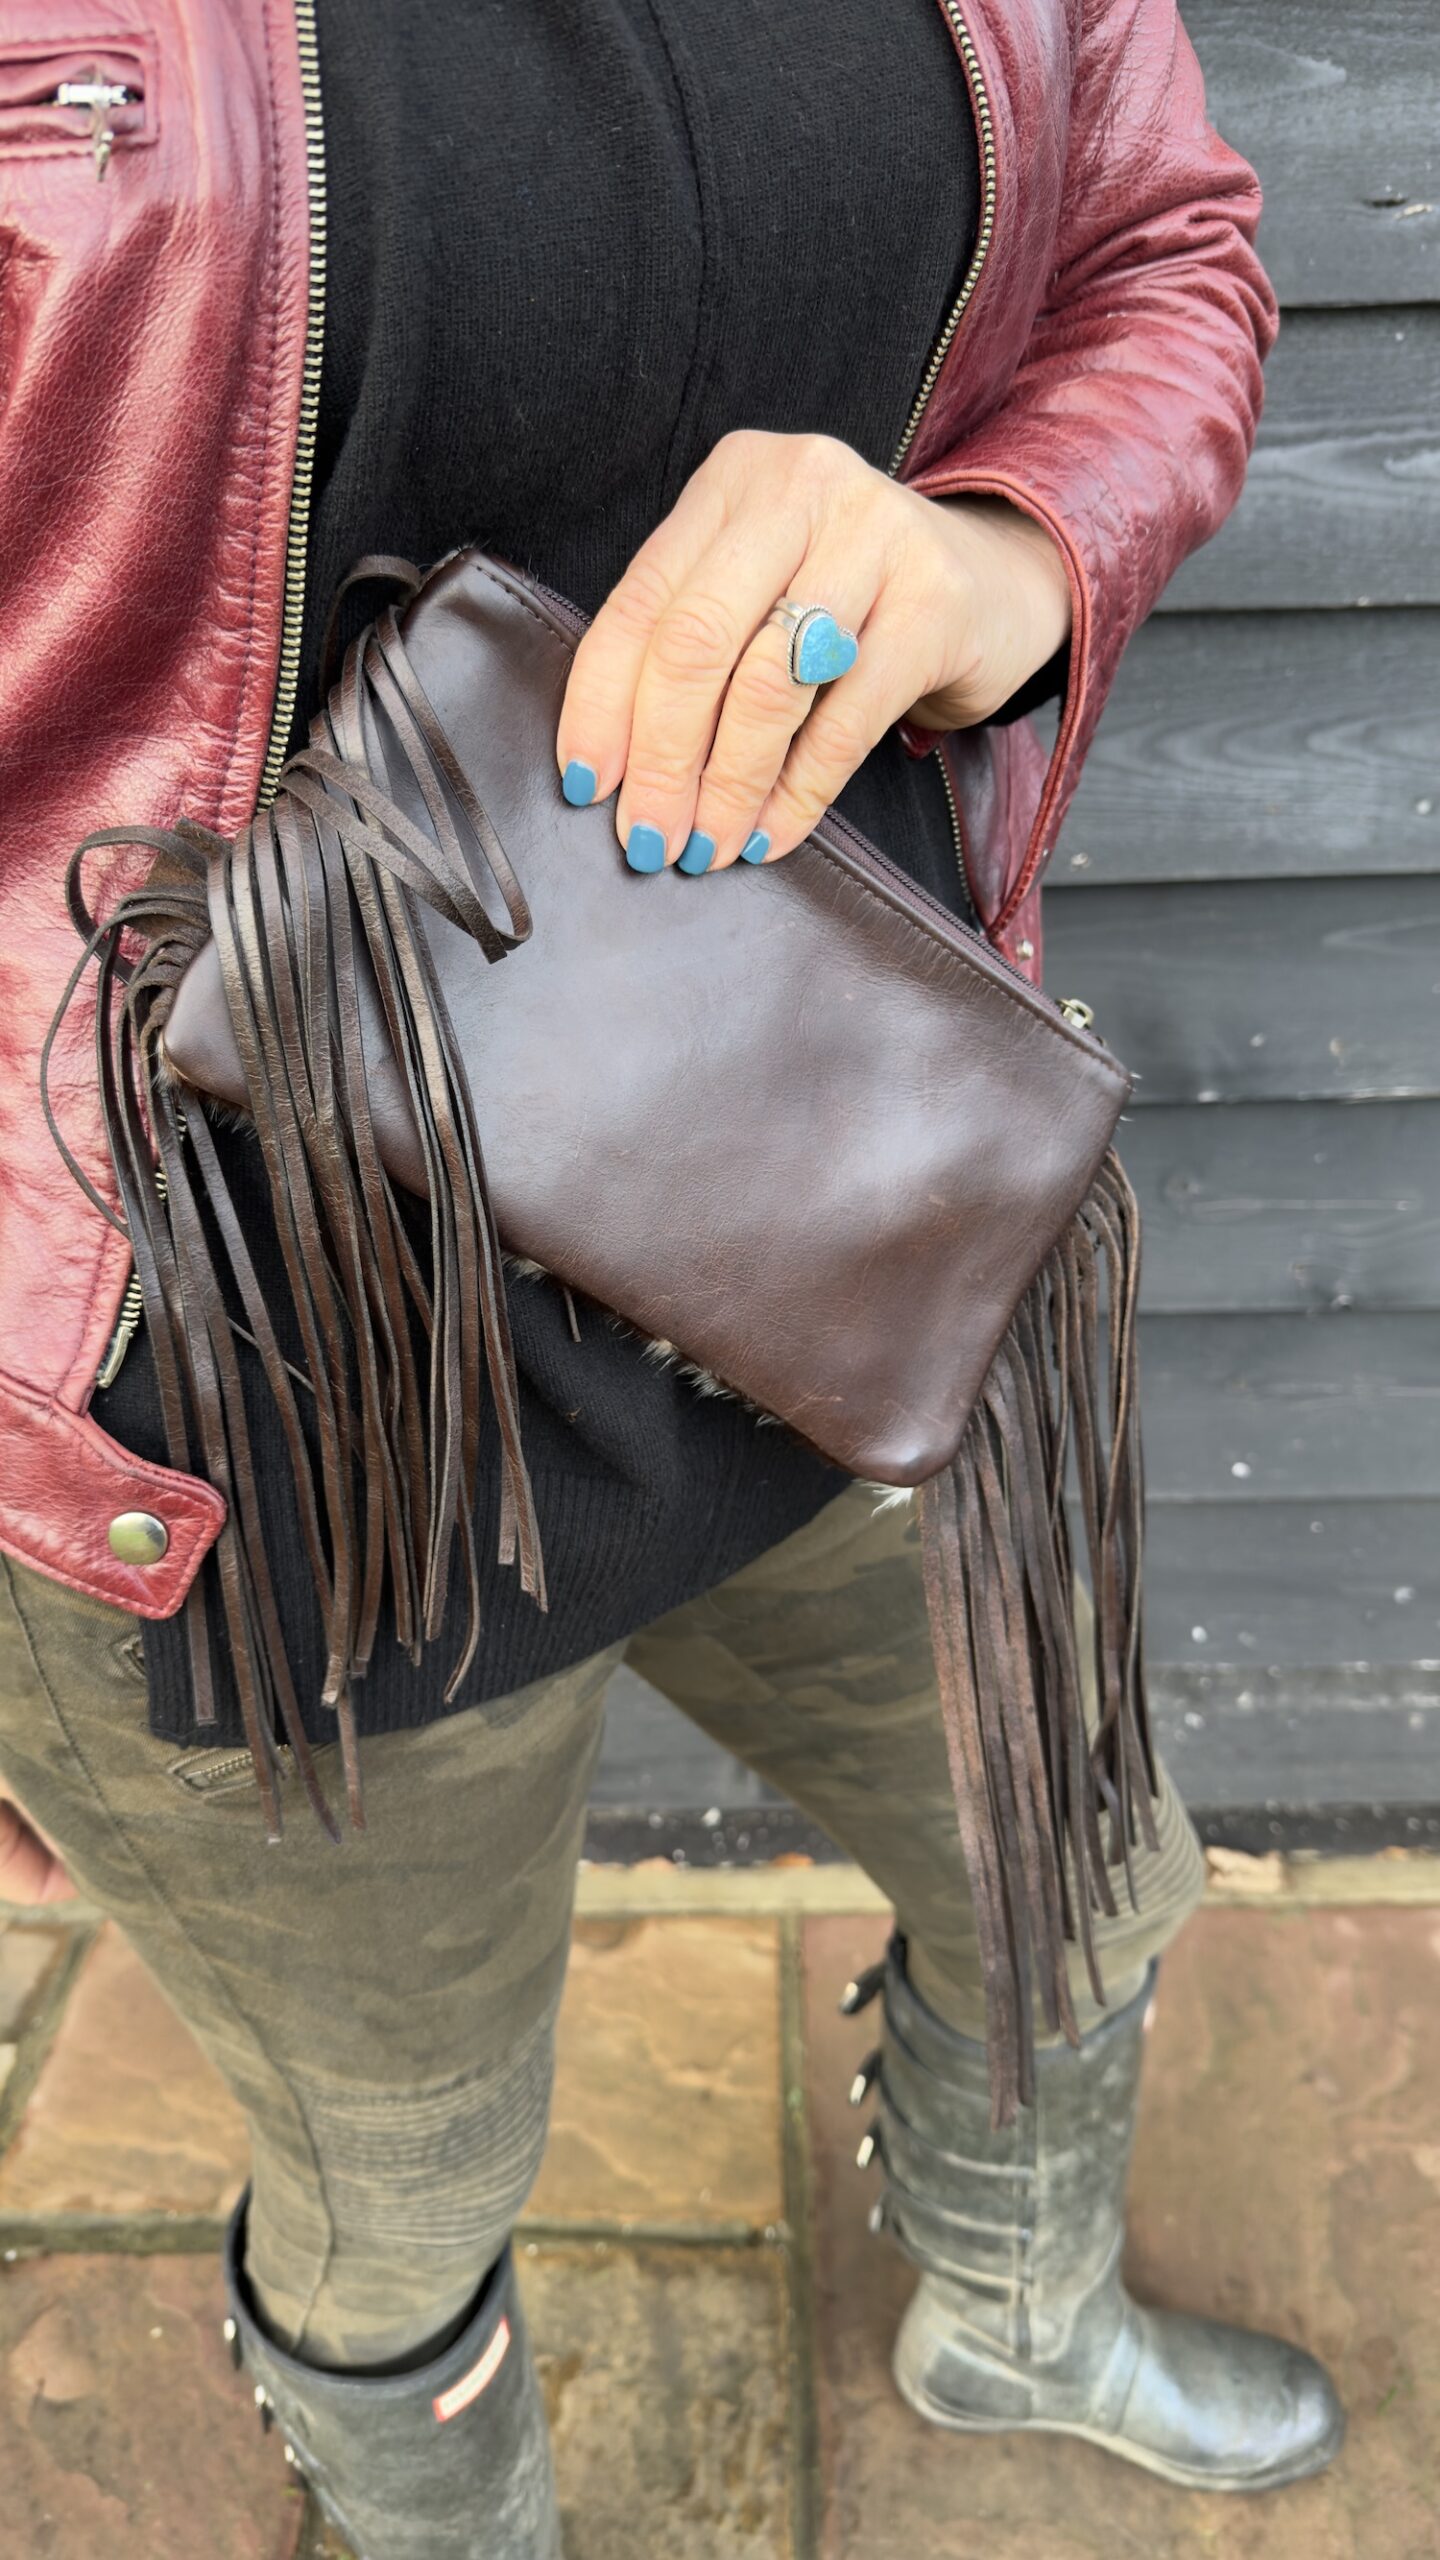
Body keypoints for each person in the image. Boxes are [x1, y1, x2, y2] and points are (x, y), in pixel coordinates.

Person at [0, 2, 1344, 2552]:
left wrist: (985, 554)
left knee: (1057, 1844)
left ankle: (1013, 2306)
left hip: (840, 1181)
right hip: (206, 1365)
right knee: (400, 2155)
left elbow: (1170, 245)